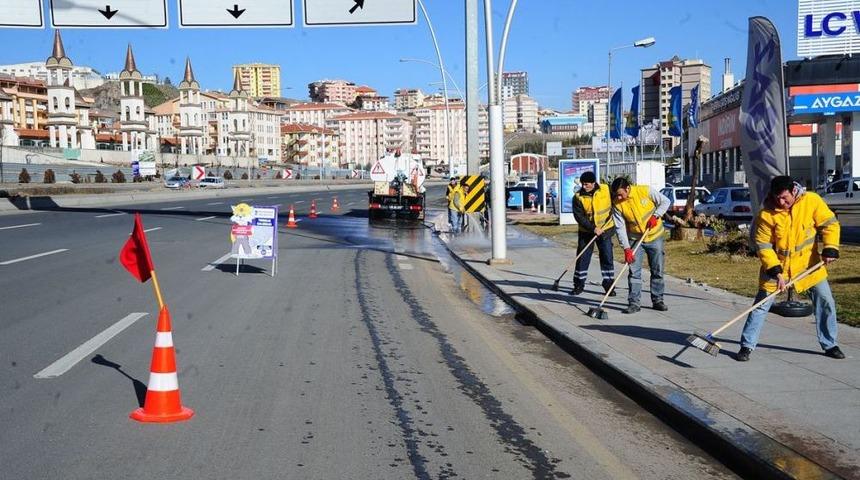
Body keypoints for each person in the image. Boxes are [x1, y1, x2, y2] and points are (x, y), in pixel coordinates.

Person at [737, 176, 843, 361]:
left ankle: (830, 344)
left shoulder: (812, 201)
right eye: (777, 198)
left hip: (809, 266)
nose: (781, 202)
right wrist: (776, 273)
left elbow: (830, 225)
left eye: (785, 198)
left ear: (794, 191)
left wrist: (830, 248)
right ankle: (746, 346)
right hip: (777, 268)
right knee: (760, 306)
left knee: (826, 301)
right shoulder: (766, 215)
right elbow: (764, 246)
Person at [611, 177, 671, 314]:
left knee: (657, 270)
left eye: (620, 194)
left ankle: (658, 300)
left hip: (655, 236)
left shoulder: (645, 191)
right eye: (616, 195)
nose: (619, 197)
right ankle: (634, 303)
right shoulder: (617, 204)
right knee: (634, 272)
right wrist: (626, 248)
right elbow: (620, 228)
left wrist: (656, 216)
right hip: (635, 239)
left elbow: (665, 201)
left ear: (627, 188)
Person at [571, 171, 615, 296]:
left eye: (587, 184)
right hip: (587, 231)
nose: (584, 186)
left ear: (593, 183)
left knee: (607, 257)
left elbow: (616, 201)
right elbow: (579, 217)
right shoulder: (578, 197)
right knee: (582, 258)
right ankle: (578, 285)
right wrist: (593, 228)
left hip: (606, 230)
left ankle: (609, 286)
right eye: (583, 184)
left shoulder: (605, 189)